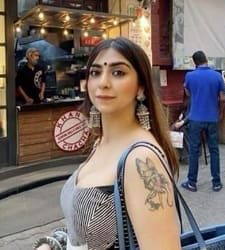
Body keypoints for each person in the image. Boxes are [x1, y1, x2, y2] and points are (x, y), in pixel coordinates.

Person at [34, 37, 181, 249]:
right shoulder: (100, 143)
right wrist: (52, 243)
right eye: (95, 72)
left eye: (118, 72)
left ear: (141, 87)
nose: (103, 82)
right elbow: (85, 233)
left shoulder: (141, 160)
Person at [181, 50, 225, 192]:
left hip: (195, 118)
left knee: (194, 150)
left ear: (195, 62)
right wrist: (220, 113)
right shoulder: (217, 76)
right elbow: (222, 98)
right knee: (214, 150)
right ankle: (216, 182)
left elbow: (187, 92)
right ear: (206, 59)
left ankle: (192, 183)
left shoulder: (190, 76)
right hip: (212, 118)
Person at [171, 90, 190, 163]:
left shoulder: (195, 97)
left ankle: (186, 154)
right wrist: (181, 114)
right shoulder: (186, 98)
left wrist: (183, 122)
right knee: (172, 128)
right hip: (184, 119)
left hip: (191, 121)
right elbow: (184, 109)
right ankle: (178, 154)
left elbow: (192, 113)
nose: (186, 90)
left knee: (182, 130)